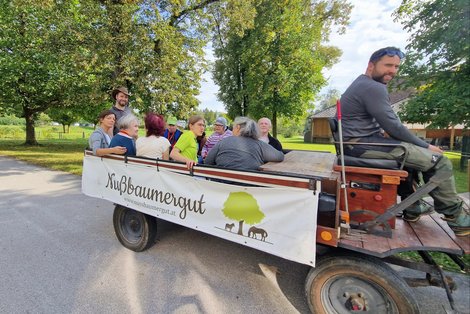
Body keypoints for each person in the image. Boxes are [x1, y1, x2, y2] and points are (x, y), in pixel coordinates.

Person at [339, 46, 469, 236]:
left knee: (411, 160)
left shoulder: (363, 84)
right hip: (361, 146)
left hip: (360, 143)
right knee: (440, 161)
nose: (392, 71)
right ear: (371, 65)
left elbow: (384, 125)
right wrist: (425, 145)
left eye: (396, 67)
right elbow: (395, 127)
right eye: (388, 65)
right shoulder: (372, 87)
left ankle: (413, 208)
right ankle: (456, 218)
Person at [205, 117, 284, 171]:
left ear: (238, 127)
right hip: (249, 186)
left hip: (221, 185)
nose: (232, 130)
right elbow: (280, 156)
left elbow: (208, 162)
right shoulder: (260, 144)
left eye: (234, 127)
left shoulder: (223, 141)